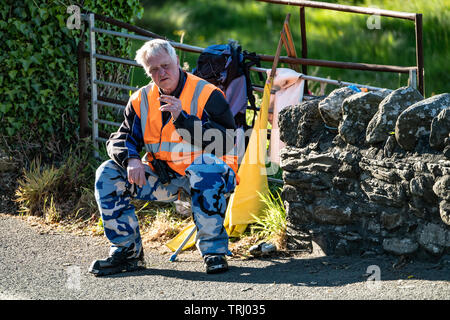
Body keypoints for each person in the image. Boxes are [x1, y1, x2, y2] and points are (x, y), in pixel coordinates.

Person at [89, 39, 239, 276]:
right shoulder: (141, 99)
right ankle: (127, 253)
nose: (162, 73)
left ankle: (213, 253)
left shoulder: (207, 93)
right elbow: (121, 137)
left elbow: (225, 142)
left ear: (177, 61)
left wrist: (183, 119)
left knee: (204, 167)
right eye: (154, 70)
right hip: (165, 180)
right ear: (148, 73)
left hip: (210, 179)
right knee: (107, 172)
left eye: (166, 65)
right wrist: (131, 159)